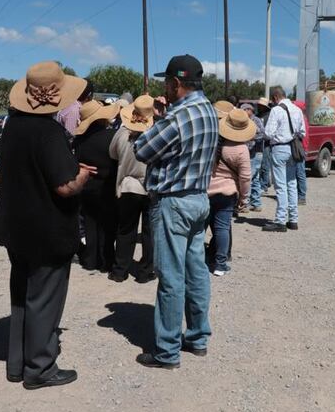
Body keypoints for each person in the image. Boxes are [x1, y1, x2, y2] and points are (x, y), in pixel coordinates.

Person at [0, 61, 94, 390]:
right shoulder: (48, 133)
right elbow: (65, 186)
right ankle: (40, 367)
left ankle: (18, 363)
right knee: (44, 298)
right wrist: (83, 175)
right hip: (46, 229)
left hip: (16, 226)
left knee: (22, 296)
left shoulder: (14, 127)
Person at [133, 54, 219, 368]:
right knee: (196, 271)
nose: (165, 89)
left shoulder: (178, 116)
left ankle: (167, 351)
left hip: (174, 202)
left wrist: (159, 120)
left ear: (175, 83)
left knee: (170, 277)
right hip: (198, 199)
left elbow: (142, 149)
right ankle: (198, 337)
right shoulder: (209, 110)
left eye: (167, 83)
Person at [108, 95, 155, 283]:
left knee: (125, 230)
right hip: (151, 187)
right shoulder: (156, 135)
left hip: (127, 185)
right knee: (149, 232)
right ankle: (146, 271)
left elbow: (112, 154)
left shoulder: (121, 133)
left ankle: (120, 271)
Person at [74, 99, 120, 272]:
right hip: (107, 185)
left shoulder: (79, 139)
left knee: (90, 223)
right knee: (107, 225)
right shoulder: (111, 136)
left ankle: (90, 259)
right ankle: (106, 260)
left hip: (86, 186)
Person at [206, 108, 254, 276]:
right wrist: (243, 199)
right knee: (222, 228)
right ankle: (220, 265)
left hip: (207, 191)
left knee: (200, 228)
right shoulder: (241, 149)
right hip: (227, 193)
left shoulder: (213, 142)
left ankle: (195, 260)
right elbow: (245, 178)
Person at [263, 85, 306, 232]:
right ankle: (293, 220)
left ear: (275, 97)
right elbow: (302, 132)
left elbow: (268, 133)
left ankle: (280, 221)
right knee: (292, 184)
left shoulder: (276, 110)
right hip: (293, 149)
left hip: (280, 148)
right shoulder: (297, 110)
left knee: (280, 186)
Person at [241, 102, 266, 211]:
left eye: (244, 110)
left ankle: (245, 204)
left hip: (255, 153)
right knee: (255, 178)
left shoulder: (256, 120)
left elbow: (262, 134)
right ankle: (256, 203)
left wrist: (251, 138)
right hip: (253, 153)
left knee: (249, 178)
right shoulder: (250, 120)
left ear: (249, 110)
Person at [293, 99, 310, 206]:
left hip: (300, 148)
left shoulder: (301, 119)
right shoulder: (303, 118)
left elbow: (303, 136)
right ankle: (300, 195)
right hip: (301, 148)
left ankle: (302, 196)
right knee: (299, 172)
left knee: (299, 173)